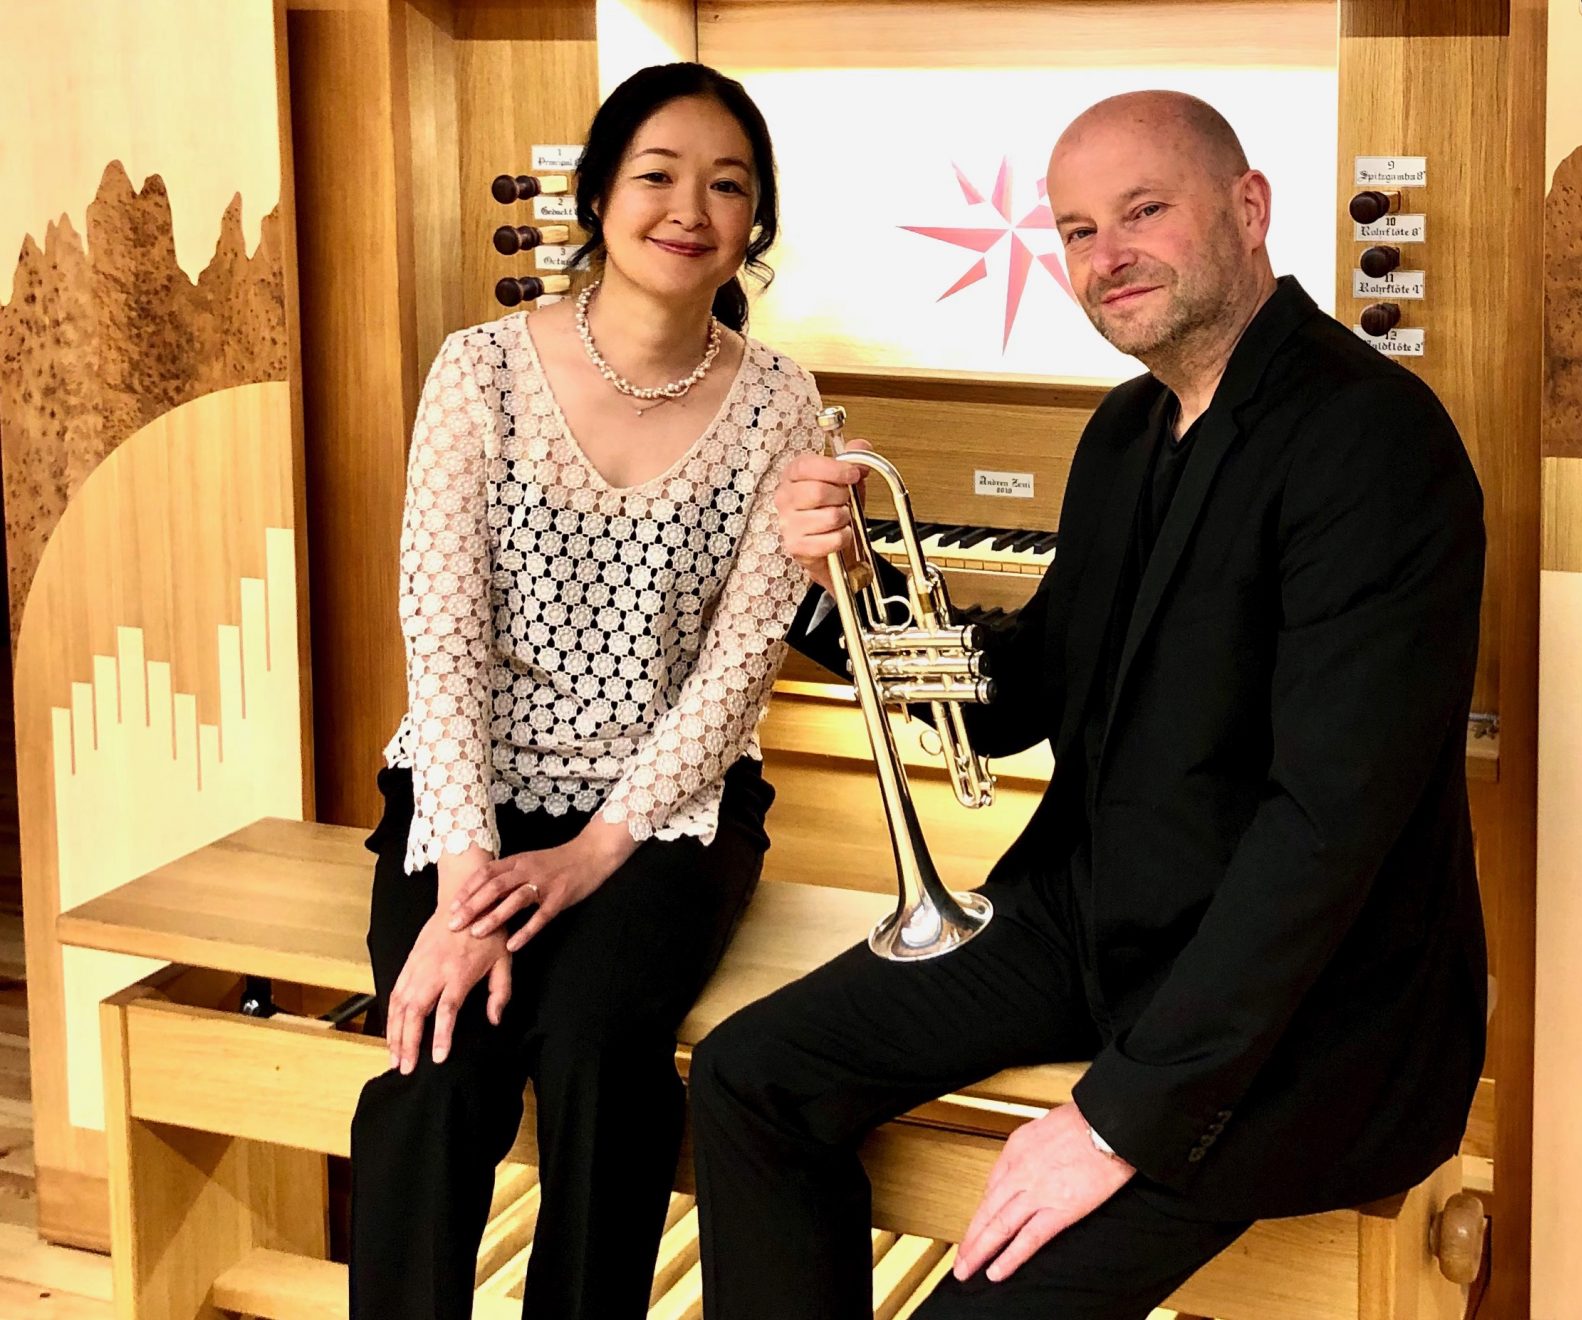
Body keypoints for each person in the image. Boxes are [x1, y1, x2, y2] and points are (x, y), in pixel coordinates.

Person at [688, 90, 1489, 1319]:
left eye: (1143, 211)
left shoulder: (1372, 440)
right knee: (752, 1078)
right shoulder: (1124, 432)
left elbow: (1322, 836)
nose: (1107, 255)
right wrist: (845, 588)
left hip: (1301, 1012)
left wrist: (1115, 1117)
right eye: (1075, 231)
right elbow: (1023, 694)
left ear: (1250, 208)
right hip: (1091, 917)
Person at [349, 62, 819, 1320]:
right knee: (440, 1053)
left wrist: (598, 849)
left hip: (665, 813)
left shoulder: (782, 402)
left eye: (729, 185)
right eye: (658, 175)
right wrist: (467, 886)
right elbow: (442, 636)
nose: (691, 208)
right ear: (600, 195)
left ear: (755, 221)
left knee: (600, 1052)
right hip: (470, 796)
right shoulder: (481, 370)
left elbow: (741, 669)